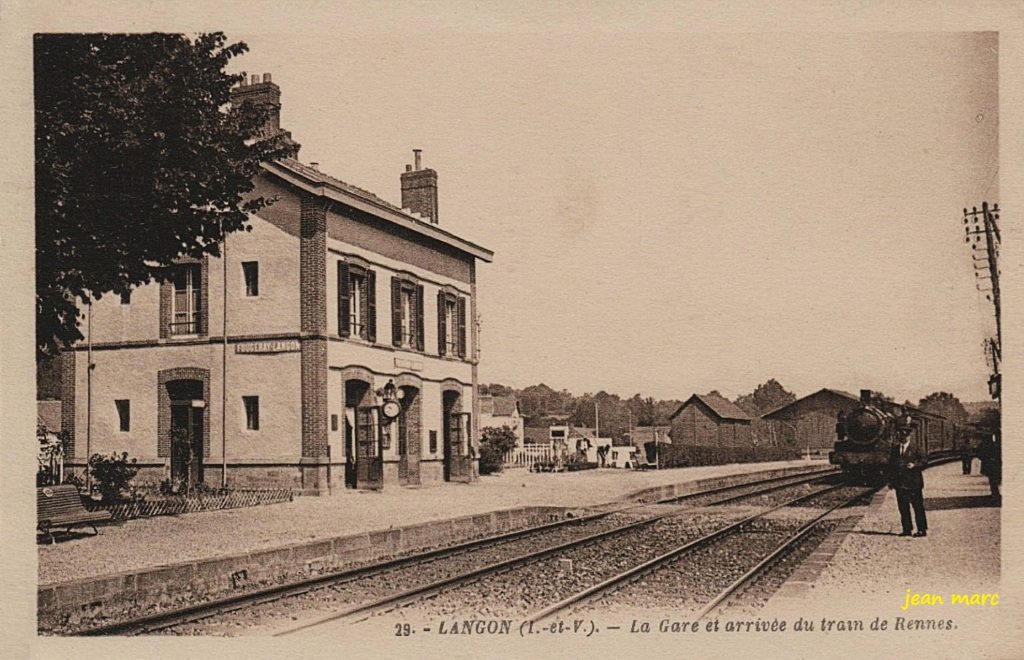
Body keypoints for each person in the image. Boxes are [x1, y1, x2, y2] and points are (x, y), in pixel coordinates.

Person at [887, 420, 928, 537]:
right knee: (903, 507)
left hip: (913, 483)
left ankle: (921, 529)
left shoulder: (916, 448)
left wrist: (915, 465)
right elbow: (891, 466)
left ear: (909, 436)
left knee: (917, 506)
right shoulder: (895, 449)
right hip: (900, 483)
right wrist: (890, 481)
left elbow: (925, 462)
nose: (903, 437)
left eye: (905, 435)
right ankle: (907, 529)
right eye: (901, 435)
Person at [978, 436, 1001, 502]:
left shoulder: (983, 444)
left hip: (988, 464)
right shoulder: (995, 445)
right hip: (993, 464)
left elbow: (979, 454)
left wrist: (985, 459)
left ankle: (994, 493)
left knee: (992, 479)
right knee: (994, 479)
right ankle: (995, 493)